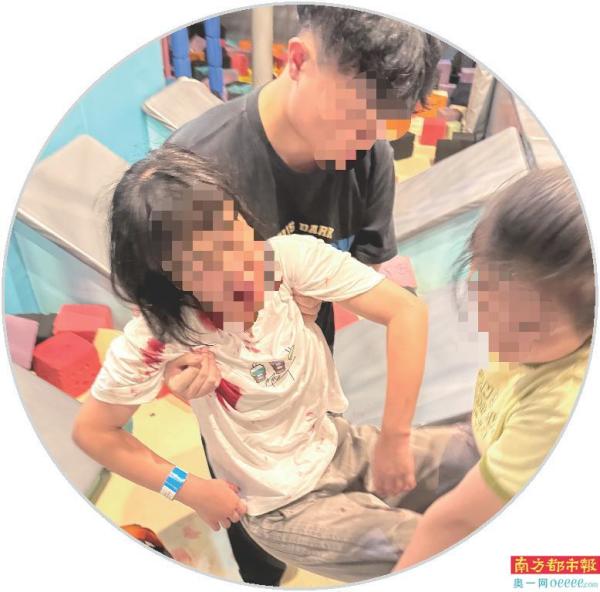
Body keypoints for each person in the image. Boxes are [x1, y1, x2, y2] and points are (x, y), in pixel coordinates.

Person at [72, 146, 477, 582]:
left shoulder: (290, 260)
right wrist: (189, 489)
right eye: (208, 264)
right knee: (431, 546)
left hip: (340, 444)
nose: (241, 267)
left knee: (481, 452)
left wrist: (395, 438)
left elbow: (406, 311)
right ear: (171, 275)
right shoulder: (161, 334)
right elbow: (93, 431)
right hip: (281, 507)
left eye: (236, 234)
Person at [165, 6, 441, 583]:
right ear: (297, 62)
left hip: (310, 370)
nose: (360, 144)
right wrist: (179, 371)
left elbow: (378, 277)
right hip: (235, 399)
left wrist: (395, 434)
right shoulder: (196, 166)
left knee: (334, 476)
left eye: (379, 130)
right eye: (353, 121)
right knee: (257, 530)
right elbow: (162, 319)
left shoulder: (369, 160)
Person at [394, 167, 594, 571]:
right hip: (487, 441)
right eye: (480, 297)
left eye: (527, 329)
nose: (495, 337)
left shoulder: (560, 406)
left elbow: (453, 522)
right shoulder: (525, 305)